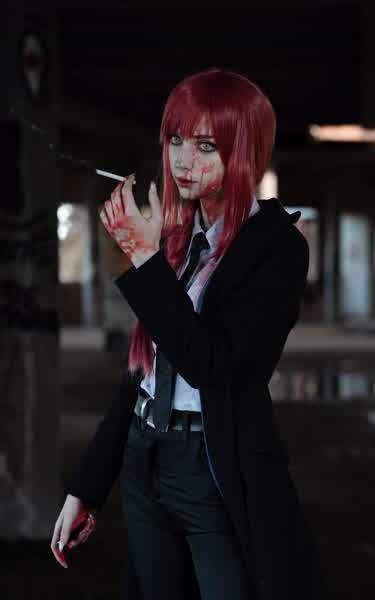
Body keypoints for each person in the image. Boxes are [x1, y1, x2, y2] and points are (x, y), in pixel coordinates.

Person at [50, 67, 327, 599]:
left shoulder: (278, 247)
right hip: (144, 459)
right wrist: (86, 487)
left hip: (212, 467)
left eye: (205, 146)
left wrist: (144, 258)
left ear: (244, 152)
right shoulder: (176, 239)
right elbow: (142, 374)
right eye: (175, 140)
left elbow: (210, 365)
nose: (182, 160)